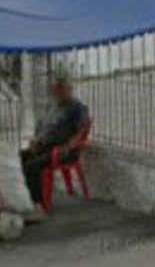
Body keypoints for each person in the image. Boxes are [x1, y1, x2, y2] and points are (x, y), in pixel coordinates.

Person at [21, 79, 90, 211]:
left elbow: (82, 130)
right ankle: (26, 199)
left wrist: (68, 147)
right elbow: (44, 128)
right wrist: (36, 141)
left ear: (70, 89)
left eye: (62, 91)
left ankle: (38, 204)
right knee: (21, 157)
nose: (59, 95)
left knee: (32, 166)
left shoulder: (78, 108)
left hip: (62, 152)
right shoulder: (54, 108)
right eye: (56, 92)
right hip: (45, 147)